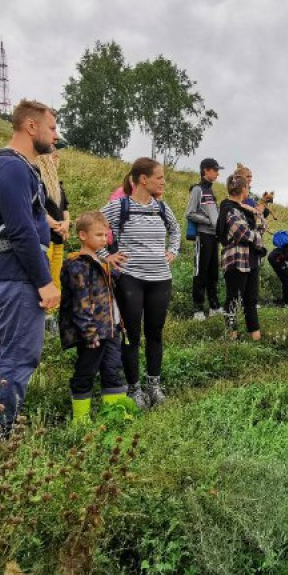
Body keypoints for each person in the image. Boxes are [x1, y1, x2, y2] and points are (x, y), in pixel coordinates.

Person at [0, 100, 60, 430]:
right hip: (15, 274)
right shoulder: (11, 167)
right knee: (18, 356)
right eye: (51, 127)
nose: (55, 135)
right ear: (31, 126)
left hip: (9, 272)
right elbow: (21, 230)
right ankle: (1, 434)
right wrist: (45, 281)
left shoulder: (9, 166)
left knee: (9, 354)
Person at [101, 158, 180, 408]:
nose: (163, 182)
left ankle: (153, 385)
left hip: (160, 279)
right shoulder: (119, 206)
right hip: (131, 280)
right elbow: (90, 227)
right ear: (143, 180)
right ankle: (134, 389)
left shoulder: (161, 207)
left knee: (155, 333)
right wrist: (107, 256)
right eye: (159, 177)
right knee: (131, 336)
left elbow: (176, 229)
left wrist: (173, 251)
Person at [59, 211, 128, 422]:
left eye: (105, 235)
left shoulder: (102, 262)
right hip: (93, 334)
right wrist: (89, 333)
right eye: (98, 235)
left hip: (111, 329)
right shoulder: (77, 265)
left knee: (113, 370)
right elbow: (81, 304)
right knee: (85, 372)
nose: (104, 239)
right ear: (82, 235)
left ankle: (114, 415)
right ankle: (81, 419)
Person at [217, 173, 266, 339]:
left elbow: (261, 225)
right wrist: (258, 236)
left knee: (251, 300)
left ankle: (255, 336)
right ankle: (231, 336)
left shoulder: (244, 210)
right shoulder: (229, 209)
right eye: (248, 187)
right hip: (236, 259)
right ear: (243, 189)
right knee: (233, 298)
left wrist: (256, 215)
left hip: (250, 259)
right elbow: (242, 234)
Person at [186, 158, 223, 320]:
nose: (217, 173)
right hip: (202, 236)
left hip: (214, 237)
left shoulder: (211, 190)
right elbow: (190, 213)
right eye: (215, 170)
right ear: (205, 170)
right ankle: (198, 309)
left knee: (213, 272)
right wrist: (209, 221)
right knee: (200, 273)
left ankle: (214, 306)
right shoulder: (197, 189)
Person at [34, 149, 70, 292]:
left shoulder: (58, 184)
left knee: (56, 276)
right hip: (45, 238)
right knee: (45, 276)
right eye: (53, 155)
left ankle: (53, 311)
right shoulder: (37, 180)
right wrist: (56, 225)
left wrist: (66, 223)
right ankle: (45, 311)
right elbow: (36, 207)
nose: (56, 157)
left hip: (58, 237)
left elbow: (65, 207)